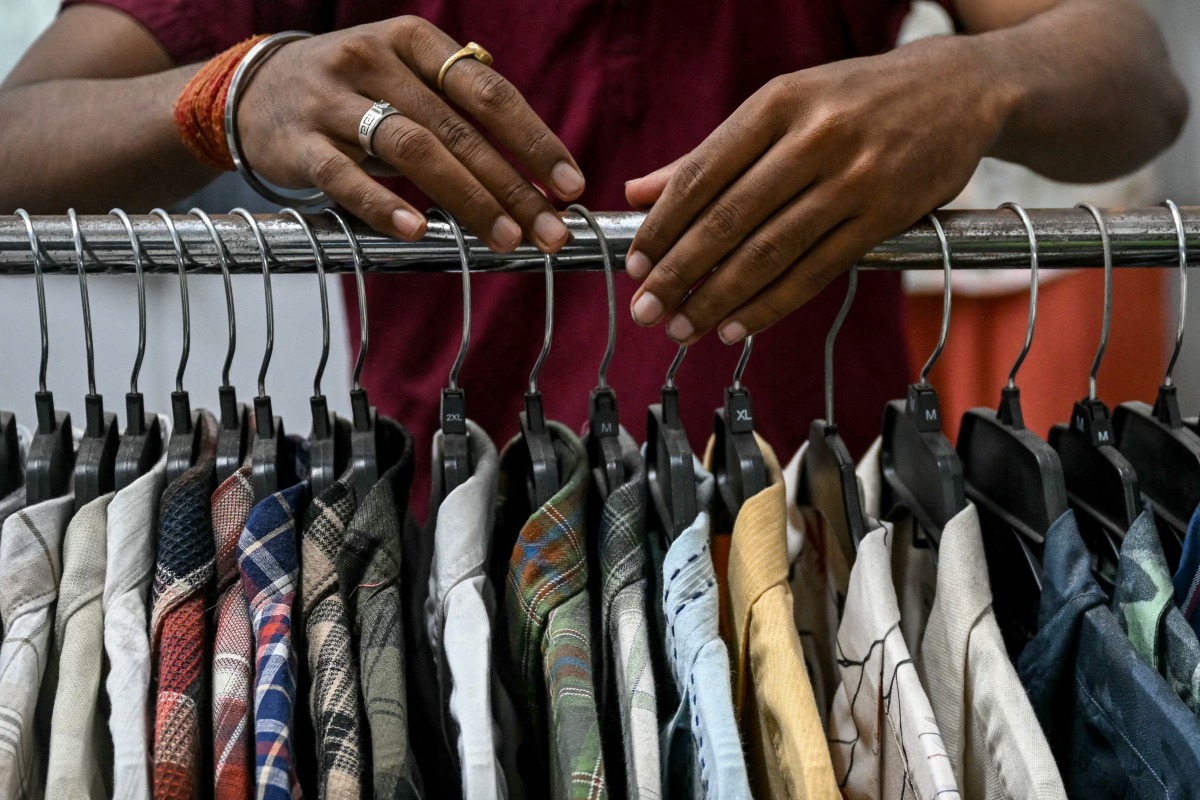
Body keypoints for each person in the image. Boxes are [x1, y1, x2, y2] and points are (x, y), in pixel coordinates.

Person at [0, 0, 1186, 513]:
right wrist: (234, 88)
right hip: (440, 529)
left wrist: (983, 82)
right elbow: (21, 130)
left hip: (827, 523)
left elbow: (1138, 73)